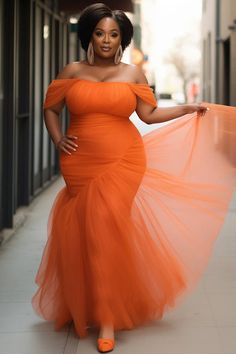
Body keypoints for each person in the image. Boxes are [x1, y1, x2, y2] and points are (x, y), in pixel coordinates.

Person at [31, 3, 236, 353]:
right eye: (100, 33)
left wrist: (186, 108)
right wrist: (56, 138)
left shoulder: (133, 74)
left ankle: (107, 318)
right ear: (89, 36)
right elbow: (51, 108)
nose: (107, 40)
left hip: (124, 159)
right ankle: (83, 304)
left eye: (114, 34)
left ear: (123, 39)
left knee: (103, 232)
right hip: (79, 161)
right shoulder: (71, 71)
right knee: (83, 232)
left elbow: (149, 113)